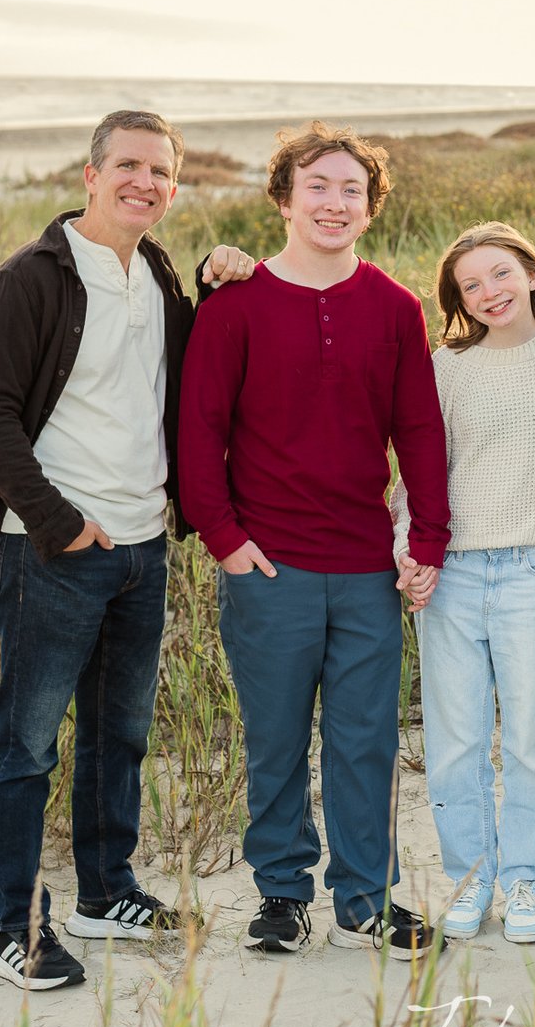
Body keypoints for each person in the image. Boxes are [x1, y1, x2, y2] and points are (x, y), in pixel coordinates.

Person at [0, 110, 252, 991]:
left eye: (162, 172)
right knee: (28, 743)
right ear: (89, 174)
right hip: (55, 552)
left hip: (144, 545)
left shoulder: (155, 271)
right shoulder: (31, 278)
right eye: (128, 166)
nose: (145, 183)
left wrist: (217, 281)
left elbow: (184, 375)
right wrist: (58, 521)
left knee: (118, 734)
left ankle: (105, 892)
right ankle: (12, 927)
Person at [179, 122, 449, 961]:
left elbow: (421, 431)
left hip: (368, 563)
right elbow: (197, 434)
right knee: (276, 736)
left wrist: (427, 537)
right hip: (269, 566)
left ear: (369, 211)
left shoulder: (396, 307)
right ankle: (282, 894)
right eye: (319, 186)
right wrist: (224, 540)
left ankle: (366, 900)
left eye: (351, 191)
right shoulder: (236, 306)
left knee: (367, 737)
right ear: (285, 198)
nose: (335, 203)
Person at [389, 223, 535, 944]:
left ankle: (527, 880)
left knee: (533, 738)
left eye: (500, 274)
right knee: (454, 739)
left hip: (533, 569)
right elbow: (418, 472)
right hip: (450, 575)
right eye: (470, 285)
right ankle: (471, 877)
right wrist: (408, 550)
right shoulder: (446, 366)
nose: (488, 293)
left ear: (532, 272)